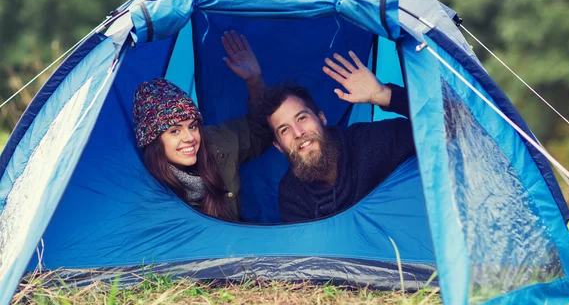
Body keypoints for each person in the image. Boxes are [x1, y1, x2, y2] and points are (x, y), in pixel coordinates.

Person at [263, 51, 416, 223]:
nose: (298, 133)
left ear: (321, 118)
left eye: (302, 118)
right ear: (278, 146)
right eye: (284, 130)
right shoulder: (291, 193)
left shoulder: (369, 142)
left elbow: (444, 126)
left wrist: (386, 95)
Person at [132, 31, 271, 221]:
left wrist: (254, 81)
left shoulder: (215, 144)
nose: (189, 137)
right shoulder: (147, 191)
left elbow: (260, 131)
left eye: (192, 126)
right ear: (153, 141)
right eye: (174, 131)